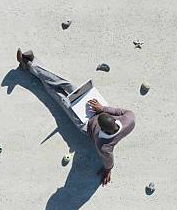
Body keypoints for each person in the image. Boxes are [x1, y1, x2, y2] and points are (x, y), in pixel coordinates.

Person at [16, 49, 135, 186]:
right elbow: (121, 111)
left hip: (85, 123)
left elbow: (108, 161)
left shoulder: (104, 146)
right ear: (114, 119)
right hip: (95, 106)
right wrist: (102, 109)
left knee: (58, 95)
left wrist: (108, 170)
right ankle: (33, 63)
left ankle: (30, 65)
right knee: (65, 83)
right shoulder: (130, 120)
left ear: (102, 129)